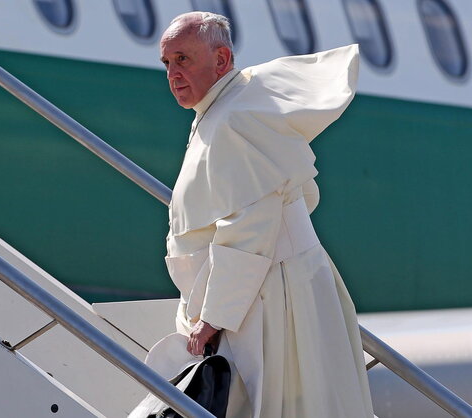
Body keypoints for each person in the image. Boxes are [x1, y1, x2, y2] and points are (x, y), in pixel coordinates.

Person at [139, 11, 375, 417]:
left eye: (183, 59)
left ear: (222, 60)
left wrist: (212, 318)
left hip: (269, 298)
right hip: (261, 291)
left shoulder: (234, 118)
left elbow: (250, 225)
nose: (173, 74)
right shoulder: (229, 109)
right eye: (167, 63)